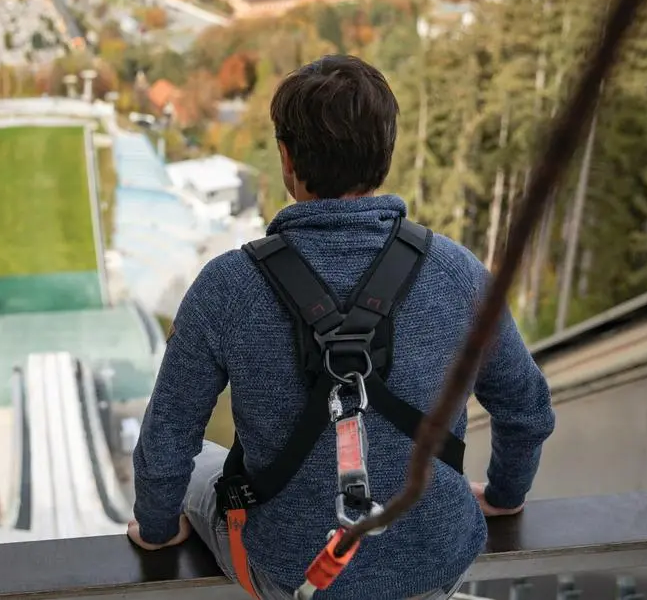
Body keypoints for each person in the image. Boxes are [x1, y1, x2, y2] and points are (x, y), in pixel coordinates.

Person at [128, 55, 556, 599]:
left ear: (286, 158)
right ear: (385, 154)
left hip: (295, 575)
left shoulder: (227, 286)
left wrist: (158, 531)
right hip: (437, 565)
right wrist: (504, 496)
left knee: (198, 471)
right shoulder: (458, 273)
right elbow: (527, 411)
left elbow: (165, 443)